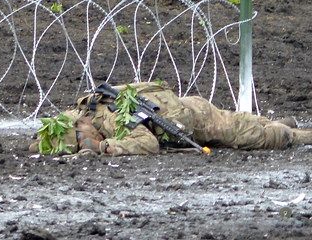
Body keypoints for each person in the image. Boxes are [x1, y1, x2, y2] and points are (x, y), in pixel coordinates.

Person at [38, 79, 312, 156]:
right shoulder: (82, 111)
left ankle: (295, 134)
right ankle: (274, 123)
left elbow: (147, 143)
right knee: (243, 124)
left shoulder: (108, 119)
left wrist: (105, 147)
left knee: (256, 136)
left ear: (81, 125)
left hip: (197, 118)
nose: (88, 141)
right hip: (183, 112)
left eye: (83, 139)